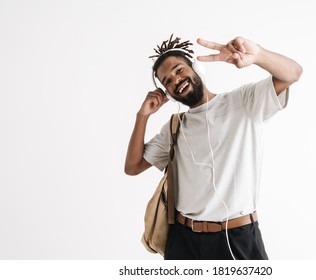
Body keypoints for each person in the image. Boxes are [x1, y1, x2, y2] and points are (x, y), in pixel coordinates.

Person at [124, 35, 302, 260]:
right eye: (167, 81)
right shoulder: (174, 127)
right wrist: (142, 116)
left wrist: (258, 55)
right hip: (184, 240)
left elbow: (293, 73)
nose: (175, 80)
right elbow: (133, 167)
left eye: (179, 70)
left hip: (236, 238)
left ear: (196, 67)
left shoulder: (244, 102)